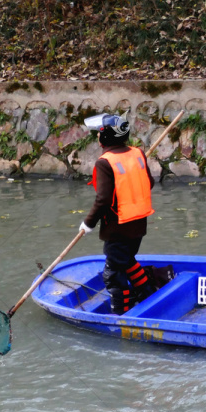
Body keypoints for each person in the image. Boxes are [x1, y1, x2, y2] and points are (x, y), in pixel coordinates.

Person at [80, 114, 156, 315]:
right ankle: (147, 292)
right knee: (126, 259)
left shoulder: (105, 162)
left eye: (98, 134)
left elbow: (103, 199)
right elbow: (150, 183)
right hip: (139, 223)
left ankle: (121, 314)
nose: (97, 137)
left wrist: (88, 223)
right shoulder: (137, 153)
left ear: (105, 137)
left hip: (119, 227)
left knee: (113, 274)